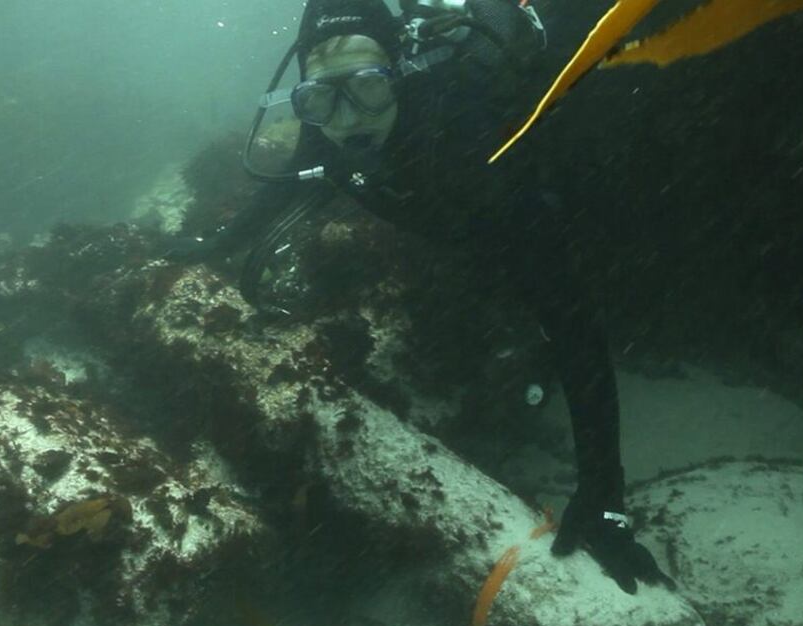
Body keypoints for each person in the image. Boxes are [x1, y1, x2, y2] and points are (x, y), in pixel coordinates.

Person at [174, 0, 673, 594]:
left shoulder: (469, 133)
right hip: (466, 230)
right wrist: (215, 242)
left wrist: (603, 494)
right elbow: (287, 187)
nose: (348, 118)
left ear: (401, 76)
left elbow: (575, 326)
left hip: (537, 198)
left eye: (368, 86)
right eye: (319, 98)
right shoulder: (330, 119)